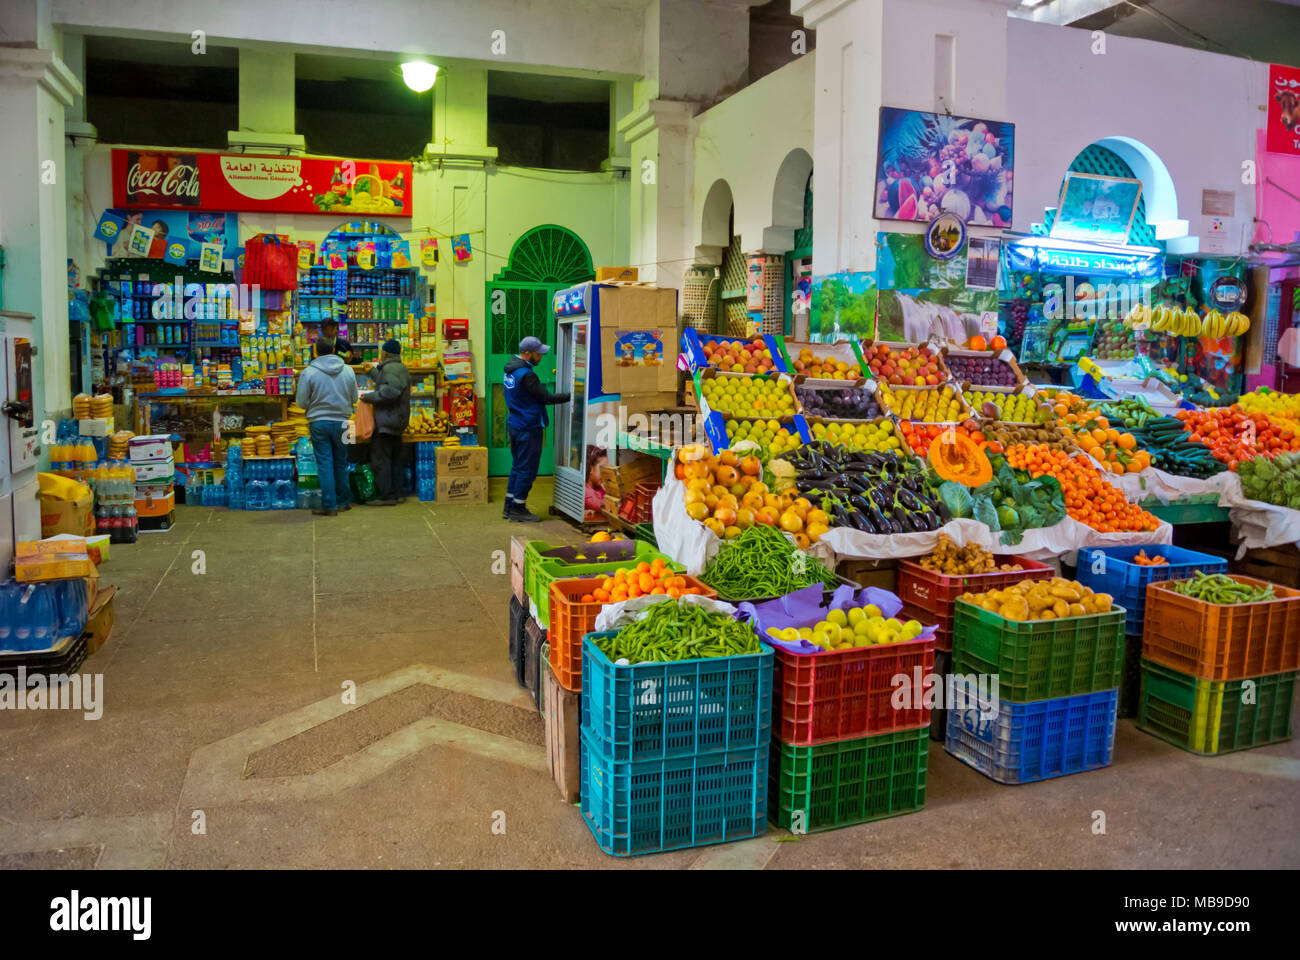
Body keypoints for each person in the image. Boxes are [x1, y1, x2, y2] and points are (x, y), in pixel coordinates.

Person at [502, 335, 570, 522]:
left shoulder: (511, 370)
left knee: (518, 466)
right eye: (538, 354)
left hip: (515, 424)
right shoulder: (527, 375)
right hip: (528, 427)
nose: (541, 357)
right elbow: (546, 398)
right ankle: (518, 509)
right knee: (527, 469)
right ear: (527, 353)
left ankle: (509, 507)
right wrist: (573, 395)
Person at [295, 340, 358, 517]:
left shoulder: (309, 372)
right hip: (344, 423)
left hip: (319, 423)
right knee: (342, 461)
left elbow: (301, 402)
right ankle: (343, 502)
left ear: (316, 352)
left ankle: (329, 505)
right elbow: (354, 398)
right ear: (333, 349)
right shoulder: (348, 370)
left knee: (325, 463)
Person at [361, 338, 411, 505]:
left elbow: (390, 391)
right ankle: (398, 493)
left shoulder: (390, 369)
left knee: (381, 459)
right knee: (395, 459)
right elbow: (388, 382)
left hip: (387, 420)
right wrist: (372, 371)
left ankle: (386, 496)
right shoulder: (398, 367)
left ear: (386, 353)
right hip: (397, 420)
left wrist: (368, 397)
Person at [584, 445, 607, 520]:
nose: (605, 474)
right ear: (591, 469)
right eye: (602, 469)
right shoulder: (586, 492)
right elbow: (603, 506)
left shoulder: (598, 488)